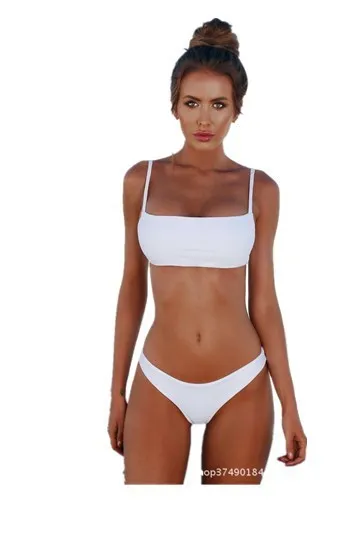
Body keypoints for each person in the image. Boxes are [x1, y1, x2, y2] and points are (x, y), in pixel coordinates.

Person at [108, 17, 307, 485]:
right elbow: (132, 287)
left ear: (236, 110)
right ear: (174, 106)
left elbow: (264, 302)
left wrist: (290, 404)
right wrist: (116, 392)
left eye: (219, 105)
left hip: (241, 382)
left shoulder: (260, 189)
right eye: (192, 103)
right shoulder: (141, 180)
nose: (204, 119)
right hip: (159, 379)